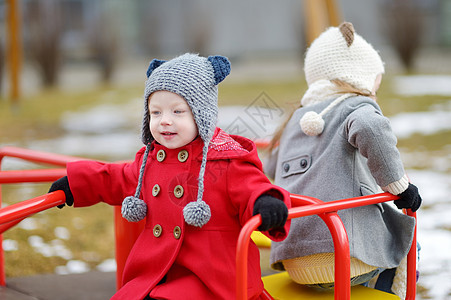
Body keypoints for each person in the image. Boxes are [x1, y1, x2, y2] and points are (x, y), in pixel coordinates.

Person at [49, 53, 290, 300]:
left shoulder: (225, 161)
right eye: (155, 112)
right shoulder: (150, 161)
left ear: (202, 113)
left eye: (177, 111)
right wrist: (78, 183)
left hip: (214, 279)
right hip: (157, 269)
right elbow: (118, 178)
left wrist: (265, 201)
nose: (165, 121)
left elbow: (251, 186)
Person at [264, 22, 421, 298]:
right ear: (358, 76)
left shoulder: (293, 120)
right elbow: (372, 129)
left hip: (294, 261)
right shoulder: (355, 106)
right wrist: (400, 187)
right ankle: (389, 294)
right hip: (342, 256)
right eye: (375, 83)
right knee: (409, 243)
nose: (375, 92)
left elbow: (270, 170)